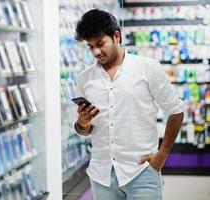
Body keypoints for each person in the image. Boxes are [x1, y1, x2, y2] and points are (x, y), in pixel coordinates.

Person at [74, 9, 184, 200]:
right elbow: (84, 130)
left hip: (141, 172)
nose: (96, 52)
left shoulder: (147, 68)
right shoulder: (85, 79)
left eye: (100, 44)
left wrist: (162, 154)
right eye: (91, 47)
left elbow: (176, 110)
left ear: (117, 36)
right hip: (101, 175)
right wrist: (82, 122)